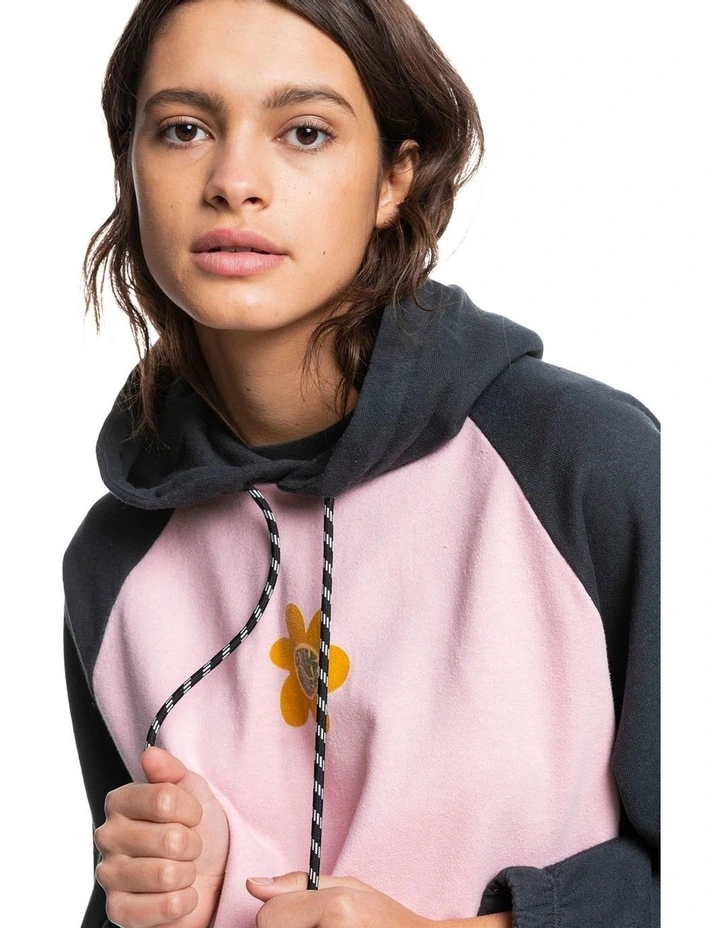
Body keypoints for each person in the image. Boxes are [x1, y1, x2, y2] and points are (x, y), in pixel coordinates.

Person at [62, 1, 660, 926]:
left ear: (394, 177)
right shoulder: (112, 563)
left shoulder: (586, 467)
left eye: (304, 131)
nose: (234, 182)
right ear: (129, 167)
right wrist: (171, 892)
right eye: (183, 129)